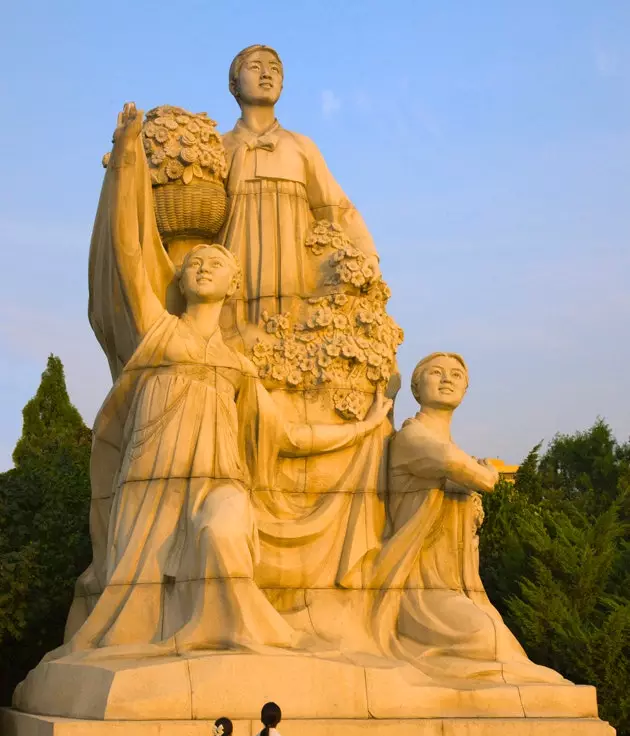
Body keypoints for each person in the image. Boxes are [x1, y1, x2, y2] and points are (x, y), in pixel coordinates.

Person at [52, 103, 392, 657]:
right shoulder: (157, 332)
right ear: (181, 281)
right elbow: (130, 252)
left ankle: (234, 636)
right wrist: (126, 165)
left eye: (218, 264)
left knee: (226, 529)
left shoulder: (238, 366)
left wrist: (365, 429)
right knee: (137, 592)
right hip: (154, 480)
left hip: (218, 483)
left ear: (235, 285)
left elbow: (287, 437)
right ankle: (161, 639)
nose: (205, 266)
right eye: (195, 264)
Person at [371, 352, 566, 684]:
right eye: (436, 372)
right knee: (486, 637)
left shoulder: (447, 446)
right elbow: (474, 474)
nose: (448, 379)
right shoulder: (413, 439)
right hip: (419, 591)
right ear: (416, 389)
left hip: (459, 590)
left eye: (457, 375)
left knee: (505, 648)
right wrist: (485, 471)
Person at [220, 44, 379, 339]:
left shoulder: (301, 146)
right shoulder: (220, 147)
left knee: (290, 336)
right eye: (255, 67)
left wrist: (366, 252)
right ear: (233, 84)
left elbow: (335, 207)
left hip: (291, 267)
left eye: (275, 69)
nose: (267, 74)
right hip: (236, 262)